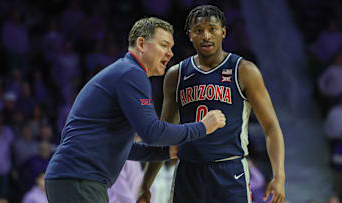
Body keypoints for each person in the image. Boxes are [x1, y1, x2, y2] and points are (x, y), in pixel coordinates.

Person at [44, 17, 226, 203]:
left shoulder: (125, 72)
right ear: (141, 43)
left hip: (72, 178)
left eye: (171, 48)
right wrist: (203, 127)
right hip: (79, 179)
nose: (170, 53)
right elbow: (152, 132)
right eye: (164, 45)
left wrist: (166, 152)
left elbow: (123, 147)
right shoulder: (132, 74)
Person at [137, 5, 285, 203]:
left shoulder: (244, 71)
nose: (206, 36)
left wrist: (279, 177)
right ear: (190, 35)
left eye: (212, 29)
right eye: (199, 31)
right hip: (188, 172)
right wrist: (146, 184)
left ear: (223, 32)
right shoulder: (176, 75)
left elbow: (271, 127)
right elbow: (163, 134)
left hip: (229, 172)